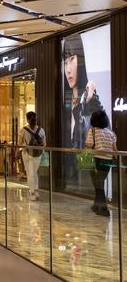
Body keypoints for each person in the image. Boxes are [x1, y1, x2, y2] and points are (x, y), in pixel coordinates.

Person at [63, 34, 104, 184]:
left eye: (72, 59)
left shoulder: (91, 100)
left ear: (80, 60)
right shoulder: (65, 107)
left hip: (88, 164)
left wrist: (90, 99)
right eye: (65, 62)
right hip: (70, 174)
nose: (68, 69)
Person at [85, 110, 116, 216]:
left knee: (98, 184)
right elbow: (114, 150)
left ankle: (103, 208)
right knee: (100, 183)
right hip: (108, 161)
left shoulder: (92, 131)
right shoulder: (110, 133)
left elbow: (88, 144)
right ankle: (96, 205)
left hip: (96, 160)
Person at [20, 112, 46, 201]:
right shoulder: (41, 130)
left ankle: (32, 193)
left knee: (30, 173)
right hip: (38, 154)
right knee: (34, 172)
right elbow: (44, 144)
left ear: (27, 119)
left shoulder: (23, 130)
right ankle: (36, 190)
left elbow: (21, 143)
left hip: (27, 153)